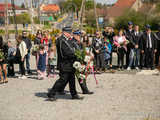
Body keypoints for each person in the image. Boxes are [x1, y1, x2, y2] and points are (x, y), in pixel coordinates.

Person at [47, 27, 83, 101]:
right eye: (69, 32)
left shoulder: (68, 40)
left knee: (72, 79)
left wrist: (78, 55)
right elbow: (64, 53)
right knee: (62, 80)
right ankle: (51, 93)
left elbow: (73, 49)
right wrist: (75, 55)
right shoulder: (61, 40)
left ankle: (74, 94)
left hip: (70, 63)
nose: (71, 34)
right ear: (65, 33)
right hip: (64, 63)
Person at [72, 30, 94, 94]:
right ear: (75, 35)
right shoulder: (72, 42)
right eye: (78, 35)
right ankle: (59, 89)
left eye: (80, 36)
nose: (80, 37)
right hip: (74, 62)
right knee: (66, 78)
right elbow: (75, 52)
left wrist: (88, 56)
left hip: (80, 61)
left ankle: (85, 90)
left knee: (81, 76)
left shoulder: (80, 43)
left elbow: (83, 51)